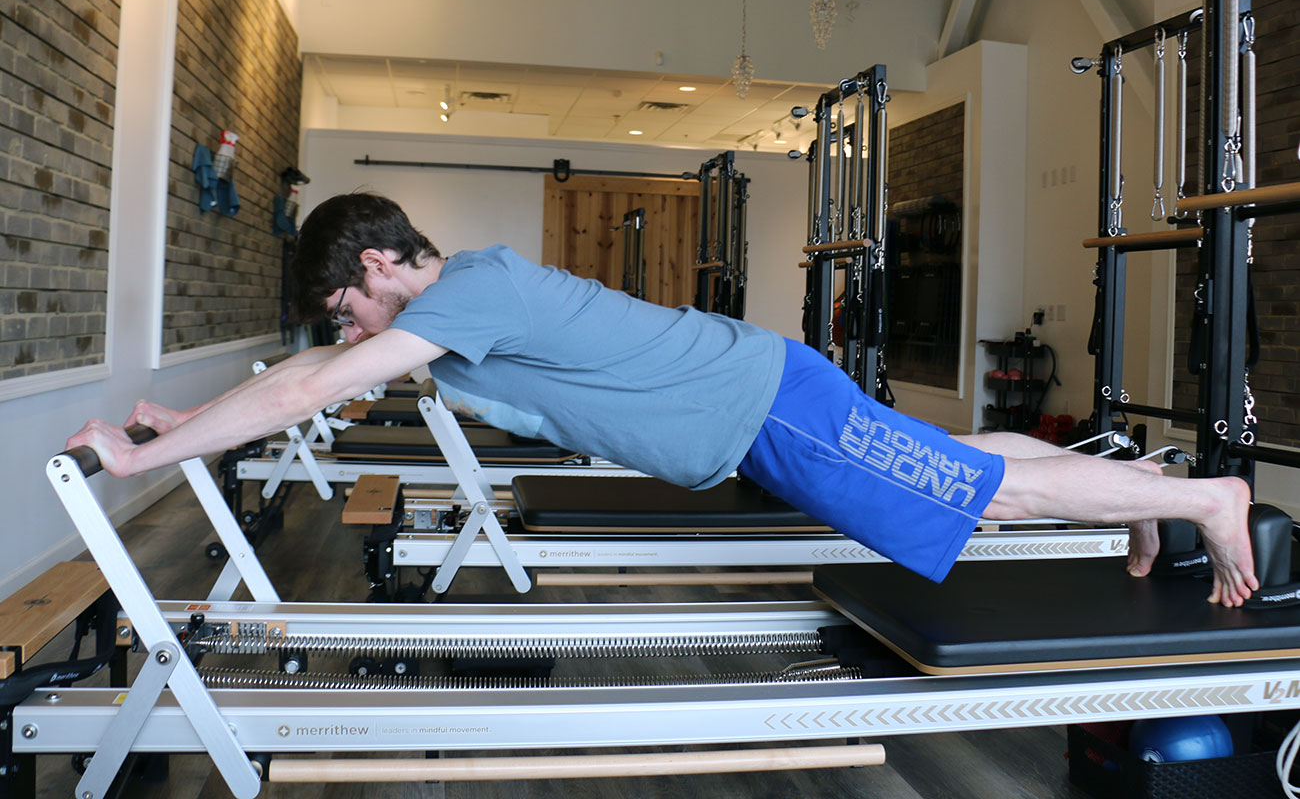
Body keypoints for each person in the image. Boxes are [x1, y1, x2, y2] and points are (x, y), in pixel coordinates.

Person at [66, 193, 1258, 607]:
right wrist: (178, 423)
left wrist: (137, 466)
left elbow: (322, 377)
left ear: (378, 266)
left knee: (978, 497)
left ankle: (1208, 494)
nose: (351, 332)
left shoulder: (466, 295)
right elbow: (302, 374)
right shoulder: (467, 296)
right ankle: (1140, 487)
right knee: (943, 452)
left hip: (764, 412)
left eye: (348, 306)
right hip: (761, 398)